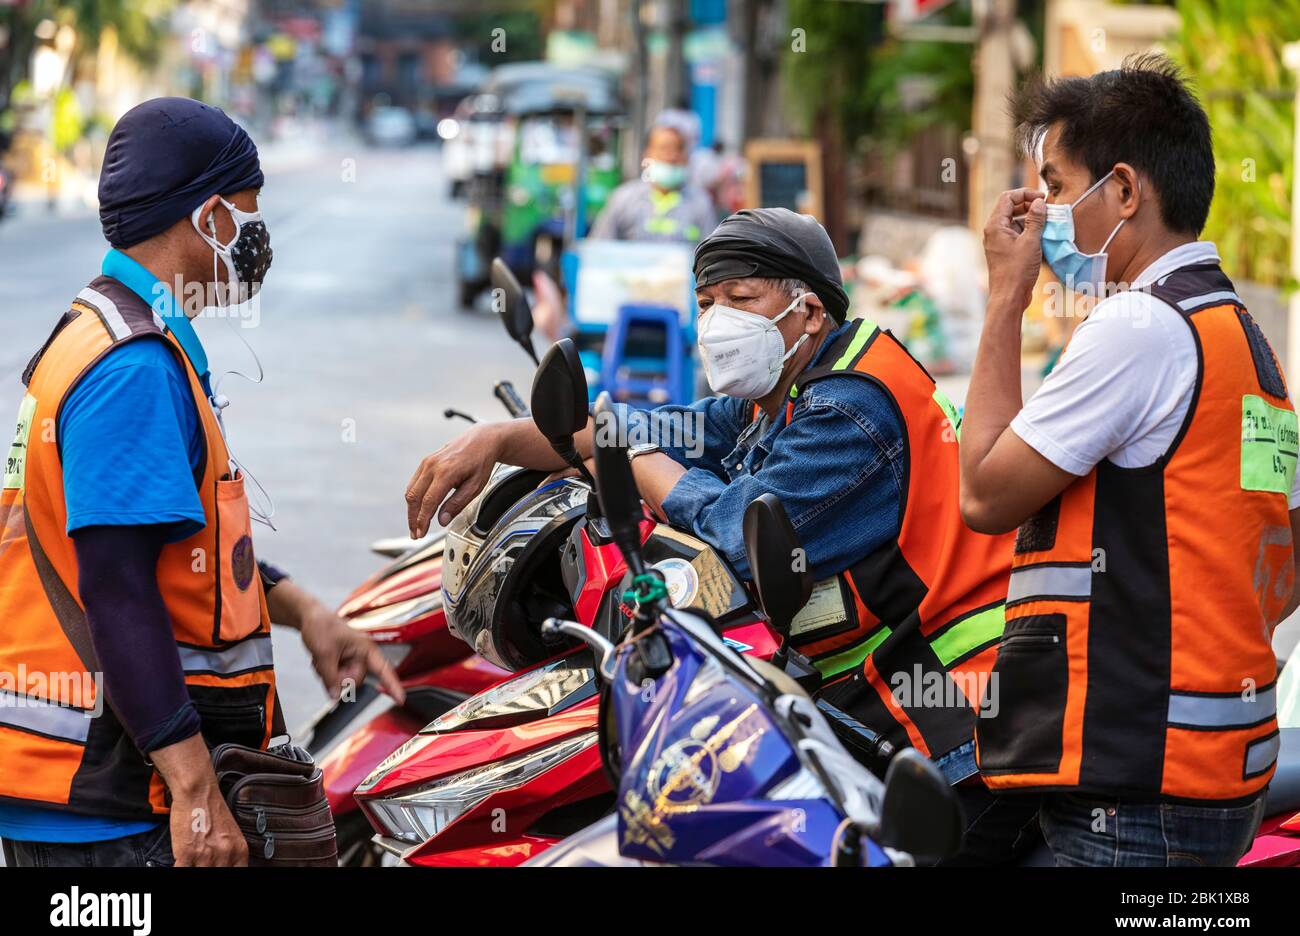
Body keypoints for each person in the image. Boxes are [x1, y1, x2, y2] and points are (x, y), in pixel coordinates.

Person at [405, 207, 1018, 858]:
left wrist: (630, 462)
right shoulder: (775, 394)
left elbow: (734, 532)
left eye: (741, 299)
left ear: (809, 312)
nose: (717, 320)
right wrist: (498, 440)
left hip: (954, 721)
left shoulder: (849, 407)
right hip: (864, 697)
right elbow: (644, 427)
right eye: (706, 302)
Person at [0, 97, 403, 867]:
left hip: (97, 792)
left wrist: (306, 612)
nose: (258, 237)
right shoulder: (133, 368)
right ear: (211, 217)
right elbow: (115, 587)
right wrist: (194, 793)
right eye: (251, 215)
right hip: (119, 807)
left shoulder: (104, 330)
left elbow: (176, 549)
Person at [960, 54, 1298, 866]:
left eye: (1055, 184)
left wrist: (1007, 295)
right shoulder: (1243, 341)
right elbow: (1284, 572)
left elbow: (982, 494)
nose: (1044, 214)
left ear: (1122, 190)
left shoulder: (1138, 329)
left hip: (1135, 784)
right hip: (1211, 768)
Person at [588, 111, 718, 245]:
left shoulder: (701, 204)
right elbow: (598, 247)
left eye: (678, 149)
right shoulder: (623, 199)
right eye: (663, 148)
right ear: (647, 154)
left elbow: (712, 255)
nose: (671, 156)